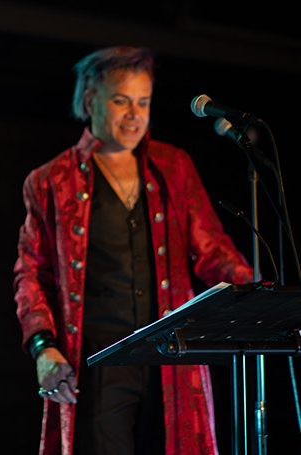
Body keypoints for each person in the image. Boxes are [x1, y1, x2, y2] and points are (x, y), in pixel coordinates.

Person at [13, 46, 252, 455]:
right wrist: (43, 347)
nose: (134, 115)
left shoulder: (173, 166)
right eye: (121, 101)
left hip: (172, 356)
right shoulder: (51, 180)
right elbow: (31, 273)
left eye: (143, 102)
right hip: (100, 361)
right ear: (91, 100)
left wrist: (257, 294)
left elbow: (213, 250)